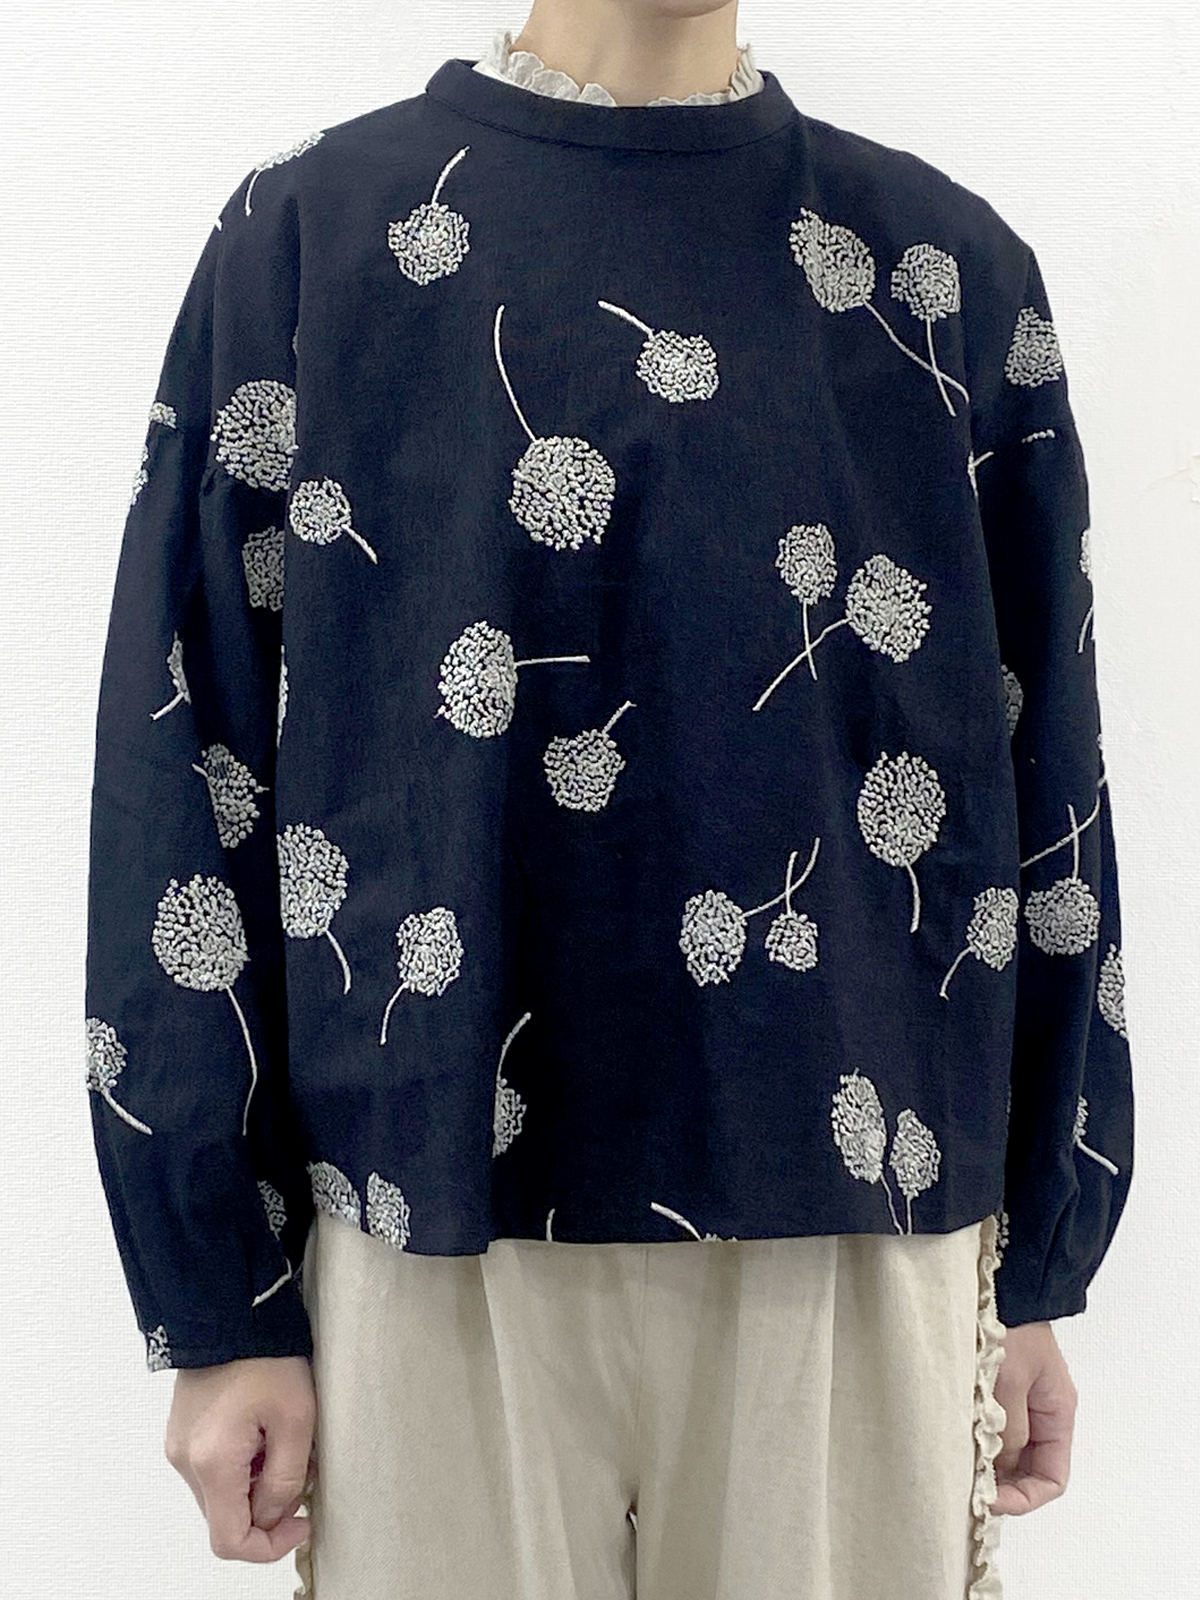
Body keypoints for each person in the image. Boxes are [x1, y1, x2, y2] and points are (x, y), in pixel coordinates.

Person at [85, 3, 1134, 1596]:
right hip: (429, 1204)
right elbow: (185, 755)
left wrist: (1038, 1263)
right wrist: (217, 1298)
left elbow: (1048, 771)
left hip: (858, 1206)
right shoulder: (311, 239)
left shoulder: (946, 272)